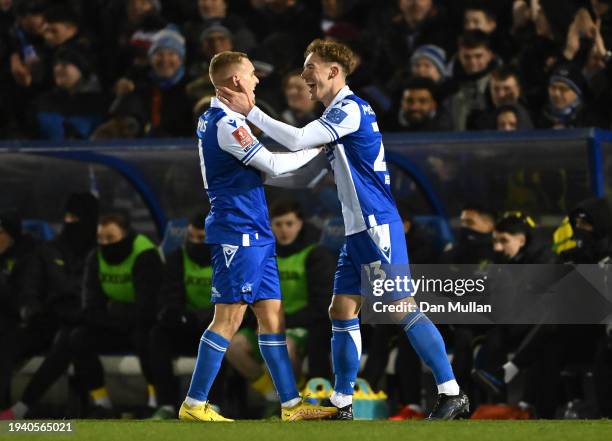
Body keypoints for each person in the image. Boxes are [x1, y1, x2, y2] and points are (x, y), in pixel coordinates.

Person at [217, 39, 469, 420]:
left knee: (402, 308)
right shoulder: (337, 117)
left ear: (333, 71)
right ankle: (342, 402)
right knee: (341, 309)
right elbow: (304, 173)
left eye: (310, 68)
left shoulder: (349, 110)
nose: (304, 76)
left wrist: (251, 111)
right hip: (357, 231)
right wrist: (253, 172)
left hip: (375, 224)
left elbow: (300, 140)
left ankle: (452, 392)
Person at [180, 50, 336, 422]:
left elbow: (258, 170)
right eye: (251, 73)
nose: (256, 79)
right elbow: (270, 165)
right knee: (229, 319)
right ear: (235, 80)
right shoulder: (222, 122)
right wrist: (315, 149)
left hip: (256, 230)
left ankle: (291, 405)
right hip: (238, 232)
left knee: (272, 317)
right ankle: (194, 403)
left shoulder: (224, 118)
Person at [225, 199, 335, 409]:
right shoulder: (261, 256)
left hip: (302, 327)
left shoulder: (315, 254)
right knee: (233, 346)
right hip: (266, 325)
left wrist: (279, 323)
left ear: (300, 223)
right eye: (278, 224)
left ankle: (295, 393)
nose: (284, 230)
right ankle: (273, 393)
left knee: (283, 346)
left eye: (289, 224)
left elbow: (322, 305)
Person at [0, 193, 99, 420]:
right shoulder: (48, 250)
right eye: (67, 216)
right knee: (7, 341)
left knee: (71, 339)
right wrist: (30, 310)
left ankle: (20, 410)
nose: (70, 222)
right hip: (47, 321)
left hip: (84, 323)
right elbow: (30, 290)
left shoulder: (102, 251)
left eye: (76, 217)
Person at [69, 212, 162, 415]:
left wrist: (113, 308)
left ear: (125, 234)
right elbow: (91, 305)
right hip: (113, 325)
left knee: (147, 336)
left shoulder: (145, 254)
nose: (104, 243)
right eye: (100, 238)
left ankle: (156, 400)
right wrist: (115, 311)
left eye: (110, 238)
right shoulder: (95, 257)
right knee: (79, 338)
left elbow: (147, 307)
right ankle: (101, 403)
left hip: (141, 325)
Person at [148, 212, 221, 419]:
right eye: (194, 238)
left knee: (220, 335)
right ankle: (167, 405)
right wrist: (181, 317)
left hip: (216, 325)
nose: (198, 243)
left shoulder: (228, 260)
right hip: (186, 327)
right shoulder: (176, 258)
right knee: (157, 335)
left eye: (204, 239)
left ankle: (213, 403)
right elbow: (169, 297)